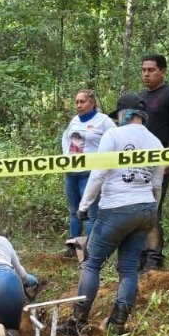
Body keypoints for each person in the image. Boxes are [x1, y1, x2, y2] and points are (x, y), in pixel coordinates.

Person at [58, 93, 163, 336]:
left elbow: (98, 174)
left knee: (92, 262)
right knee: (128, 268)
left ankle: (77, 322)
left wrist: (83, 206)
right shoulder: (156, 142)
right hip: (145, 208)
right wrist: (151, 212)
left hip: (117, 206)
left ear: (124, 113)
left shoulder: (113, 135)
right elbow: (156, 183)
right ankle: (118, 325)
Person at [137, 54, 169, 271]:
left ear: (163, 71)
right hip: (138, 162)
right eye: (144, 70)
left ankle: (154, 257)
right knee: (138, 206)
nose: (146, 74)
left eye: (151, 70)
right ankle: (139, 255)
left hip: (161, 161)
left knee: (153, 206)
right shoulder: (140, 98)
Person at [60, 89, 115, 256]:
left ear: (92, 102)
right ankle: (74, 246)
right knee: (74, 210)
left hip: (90, 173)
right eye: (76, 102)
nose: (78, 105)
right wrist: (66, 157)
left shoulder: (103, 121)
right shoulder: (74, 120)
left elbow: (116, 138)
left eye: (82, 101)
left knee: (90, 213)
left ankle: (90, 248)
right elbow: (66, 138)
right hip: (72, 172)